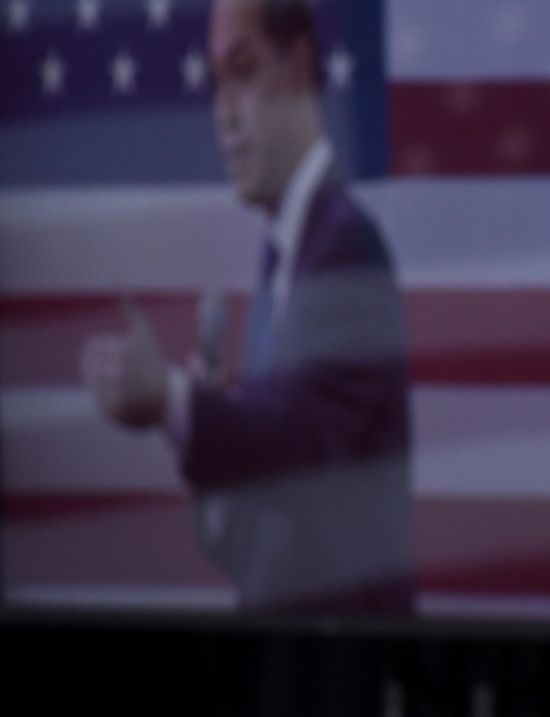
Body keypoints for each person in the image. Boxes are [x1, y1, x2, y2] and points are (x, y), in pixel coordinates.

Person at [80, 0, 413, 614]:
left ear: (296, 69)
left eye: (244, 71)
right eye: (215, 83)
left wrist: (173, 402)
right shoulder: (288, 254)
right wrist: (198, 424)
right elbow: (261, 546)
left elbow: (303, 459)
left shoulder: (345, 245)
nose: (224, 114)